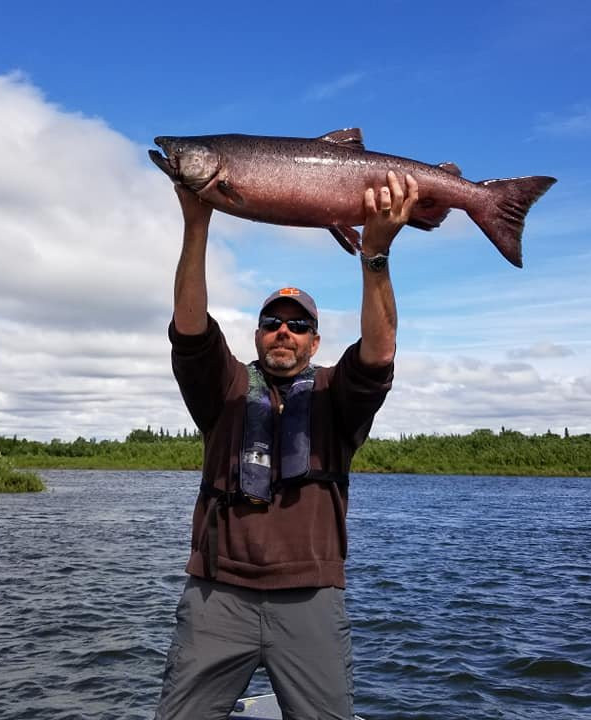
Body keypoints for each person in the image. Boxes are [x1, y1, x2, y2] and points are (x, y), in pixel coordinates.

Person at [155, 170, 418, 720]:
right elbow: (188, 326)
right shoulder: (224, 390)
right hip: (216, 596)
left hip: (311, 598)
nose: (284, 331)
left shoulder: (336, 398)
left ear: (315, 341)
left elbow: (379, 351)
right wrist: (197, 223)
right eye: (272, 321)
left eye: (298, 326)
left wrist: (375, 257)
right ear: (256, 335)